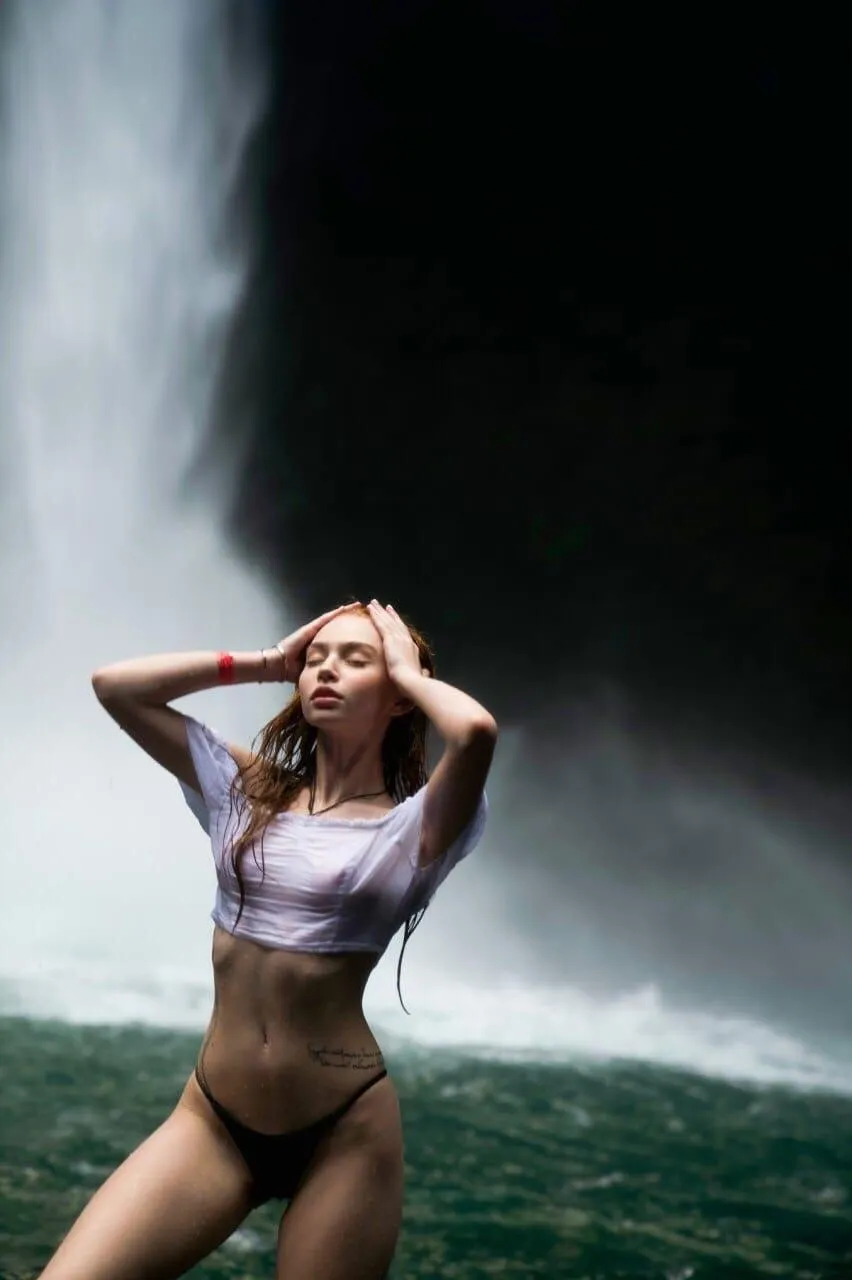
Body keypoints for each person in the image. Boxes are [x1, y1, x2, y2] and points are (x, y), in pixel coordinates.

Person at [39, 599, 497, 1280]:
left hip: (343, 1133)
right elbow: (117, 687)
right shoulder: (244, 790)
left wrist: (406, 668)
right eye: (317, 658)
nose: (326, 671)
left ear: (399, 695)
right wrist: (263, 663)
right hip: (213, 1122)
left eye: (355, 660)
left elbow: (476, 731)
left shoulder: (418, 827)